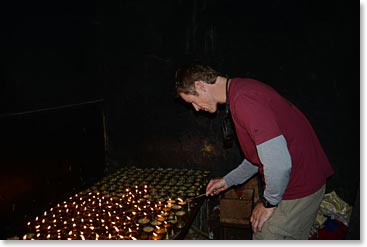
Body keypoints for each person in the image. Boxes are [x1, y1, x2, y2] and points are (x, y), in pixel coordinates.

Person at [175, 64, 334, 240]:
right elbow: (259, 158)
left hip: (299, 186)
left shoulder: (244, 100)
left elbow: (278, 163)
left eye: (192, 102)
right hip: (302, 180)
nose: (196, 109)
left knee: (264, 233)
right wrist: (229, 180)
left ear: (200, 86)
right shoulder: (240, 91)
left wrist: (268, 202)